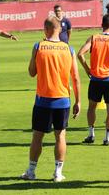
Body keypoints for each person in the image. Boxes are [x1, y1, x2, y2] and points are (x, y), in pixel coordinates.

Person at [21, 16, 81, 182]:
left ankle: (31, 171)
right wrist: (78, 101)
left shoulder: (38, 46)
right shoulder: (69, 49)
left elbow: (32, 72)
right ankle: (57, 173)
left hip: (43, 100)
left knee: (37, 136)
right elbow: (75, 77)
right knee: (60, 135)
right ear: (60, 29)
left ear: (45, 29)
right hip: (63, 99)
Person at [78, 14, 109, 146]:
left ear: (102, 25)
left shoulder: (94, 37)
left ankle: (91, 134)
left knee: (92, 108)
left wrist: (87, 69)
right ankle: (107, 138)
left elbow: (80, 54)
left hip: (96, 78)